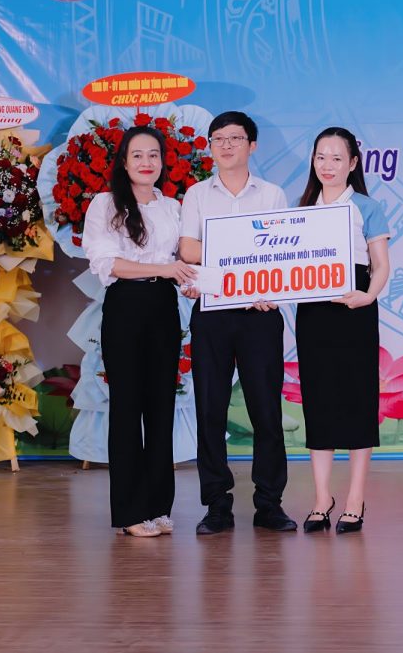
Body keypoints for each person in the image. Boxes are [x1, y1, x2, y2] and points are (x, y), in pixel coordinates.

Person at [179, 111, 297, 535]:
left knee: (266, 410)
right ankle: (217, 505)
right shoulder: (196, 194)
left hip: (260, 312)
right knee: (210, 409)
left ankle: (269, 503)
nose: (226, 145)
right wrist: (245, 249)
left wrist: (227, 253)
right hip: (211, 311)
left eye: (235, 138)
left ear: (252, 145)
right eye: (218, 139)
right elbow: (188, 250)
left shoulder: (272, 194)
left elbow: (280, 253)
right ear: (210, 146)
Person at [82, 126, 196, 538]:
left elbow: (185, 260)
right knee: (128, 408)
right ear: (124, 162)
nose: (146, 162)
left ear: (163, 161)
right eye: (137, 155)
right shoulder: (105, 204)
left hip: (164, 307)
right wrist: (165, 269)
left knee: (161, 407)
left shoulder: (173, 207)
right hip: (126, 307)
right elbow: (107, 264)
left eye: (153, 155)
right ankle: (131, 514)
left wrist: (193, 281)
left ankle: (159, 507)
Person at [292, 128, 391, 534]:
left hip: (355, 310)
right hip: (313, 313)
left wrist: (368, 296)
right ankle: (321, 499)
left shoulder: (367, 207)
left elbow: (381, 265)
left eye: (336, 158)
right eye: (321, 157)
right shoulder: (301, 209)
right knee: (318, 401)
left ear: (352, 163)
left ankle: (354, 499)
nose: (327, 165)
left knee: (357, 401)